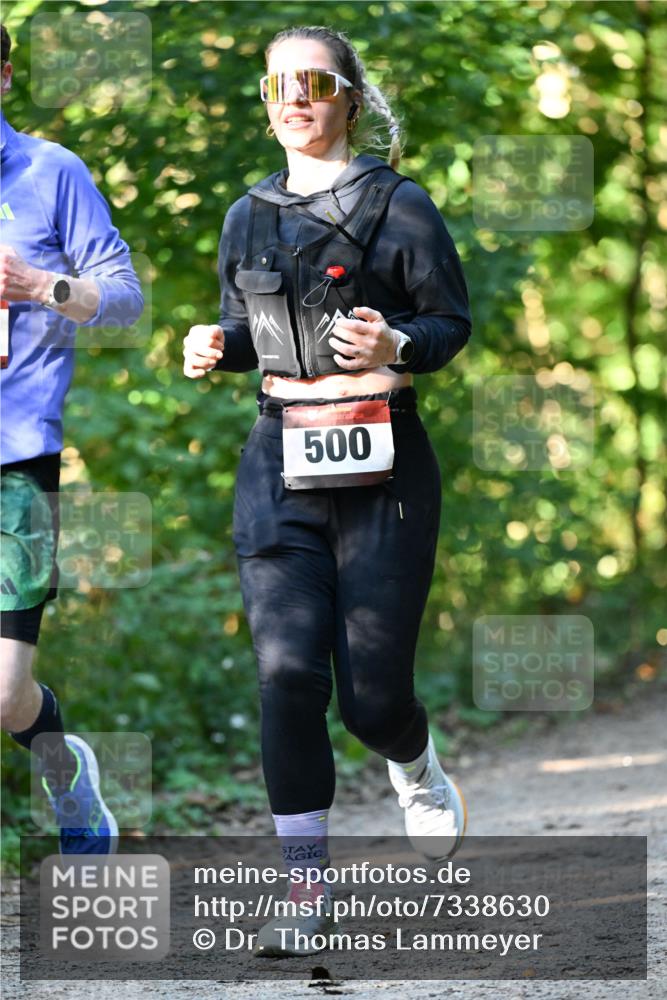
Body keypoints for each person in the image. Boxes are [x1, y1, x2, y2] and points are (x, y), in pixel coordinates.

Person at [183, 25, 472, 956]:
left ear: (349, 96)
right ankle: (305, 887)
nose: (294, 101)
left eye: (312, 83)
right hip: (279, 463)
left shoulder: (400, 204)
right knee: (285, 675)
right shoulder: (247, 214)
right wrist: (213, 346)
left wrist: (397, 343)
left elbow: (449, 323)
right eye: (277, 88)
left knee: (371, 702)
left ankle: (414, 763)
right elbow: (250, 334)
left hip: (385, 466)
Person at [0, 23, 144, 855]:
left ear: (5, 76)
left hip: (15, 458)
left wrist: (41, 284)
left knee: (4, 695)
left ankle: (63, 766)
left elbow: (123, 298)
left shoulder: (51, 172)